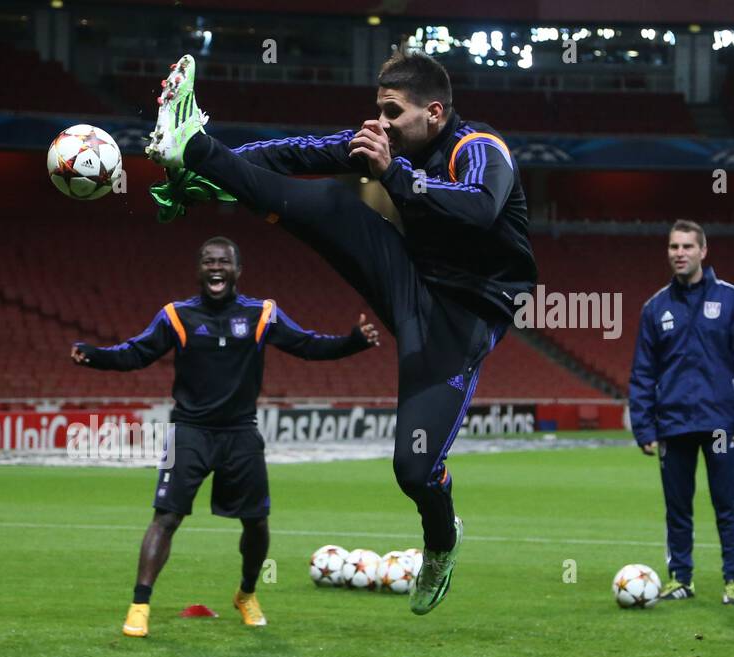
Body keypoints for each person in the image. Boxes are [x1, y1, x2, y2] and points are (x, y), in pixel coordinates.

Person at [144, 50, 538, 614]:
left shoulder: (478, 149)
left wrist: (393, 174)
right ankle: (195, 145)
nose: (380, 123)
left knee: (413, 469)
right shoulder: (386, 144)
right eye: (377, 109)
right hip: (411, 283)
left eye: (392, 111)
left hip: (468, 317)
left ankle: (442, 540)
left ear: (433, 112)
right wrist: (211, 162)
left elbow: (478, 210)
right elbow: (291, 154)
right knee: (329, 201)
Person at [71, 236, 379, 637]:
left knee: (256, 522)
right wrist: (94, 355)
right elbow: (136, 353)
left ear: (237, 270)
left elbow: (305, 344)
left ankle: (247, 594)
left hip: (240, 432)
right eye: (208, 261)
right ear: (199, 269)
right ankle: (139, 605)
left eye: (224, 262)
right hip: (188, 432)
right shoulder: (175, 315)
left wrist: (352, 343)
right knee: (166, 516)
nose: (216, 267)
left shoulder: (262, 313)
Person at [629, 220, 734, 605]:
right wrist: (644, 427)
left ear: (703, 251)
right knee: (677, 507)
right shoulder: (655, 308)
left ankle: (733, 579)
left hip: (721, 426)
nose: (680, 253)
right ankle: (679, 577)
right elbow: (642, 373)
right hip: (673, 425)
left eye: (687, 246)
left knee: (726, 505)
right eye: (673, 247)